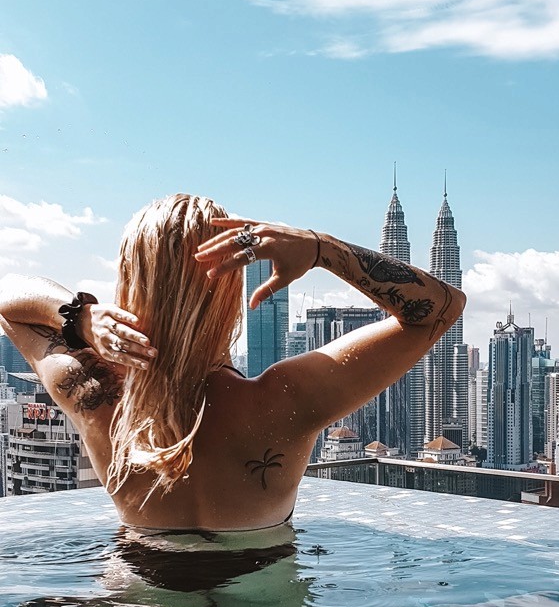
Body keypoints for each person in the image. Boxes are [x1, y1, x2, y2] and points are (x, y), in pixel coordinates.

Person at [0, 193, 465, 533]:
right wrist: (321, 249)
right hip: (261, 605)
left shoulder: (91, 390)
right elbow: (440, 309)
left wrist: (81, 317)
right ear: (228, 292)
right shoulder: (285, 401)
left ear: (128, 279)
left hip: (138, 598)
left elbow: (8, 301)